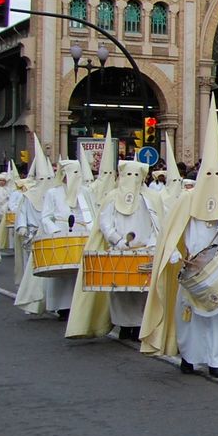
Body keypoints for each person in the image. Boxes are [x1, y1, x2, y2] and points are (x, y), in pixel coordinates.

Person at [140, 96, 218, 378]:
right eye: (208, 172)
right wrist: (174, 252)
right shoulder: (186, 200)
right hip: (192, 265)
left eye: (216, 172)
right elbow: (172, 230)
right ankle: (190, 356)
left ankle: (217, 360)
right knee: (190, 315)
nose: (212, 176)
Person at [68, 159, 157, 342]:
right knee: (119, 291)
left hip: (144, 251)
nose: (132, 179)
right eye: (128, 174)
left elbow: (157, 224)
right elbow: (105, 222)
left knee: (141, 290)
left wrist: (151, 244)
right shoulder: (112, 197)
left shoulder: (151, 199)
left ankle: (138, 326)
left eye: (136, 175)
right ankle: (124, 325)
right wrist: (117, 240)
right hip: (118, 250)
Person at [40, 159, 96, 319]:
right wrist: (55, 231)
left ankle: (81, 306)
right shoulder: (53, 193)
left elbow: (92, 212)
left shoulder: (85, 192)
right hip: (61, 234)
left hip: (82, 235)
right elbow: (46, 217)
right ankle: (63, 307)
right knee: (63, 274)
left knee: (81, 273)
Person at [11, 136, 54, 315]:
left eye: (49, 178)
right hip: (32, 236)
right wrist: (22, 228)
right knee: (34, 272)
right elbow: (22, 215)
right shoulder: (28, 197)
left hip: (49, 237)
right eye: (43, 178)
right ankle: (33, 301)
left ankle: (50, 301)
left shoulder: (54, 194)